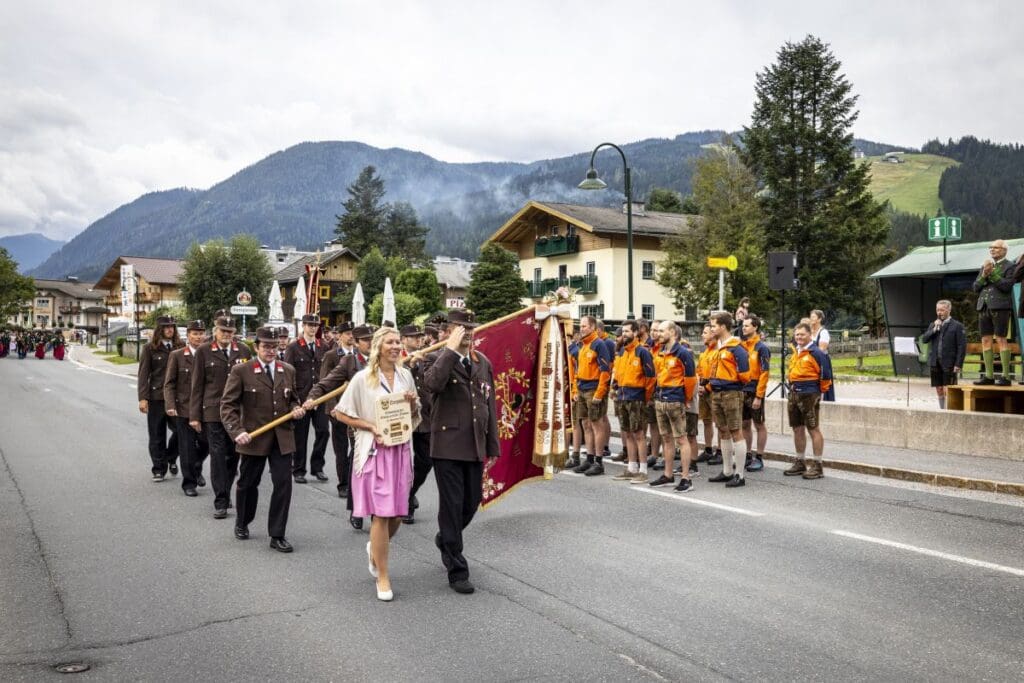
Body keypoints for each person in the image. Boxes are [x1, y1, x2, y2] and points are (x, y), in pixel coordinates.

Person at [334, 327, 420, 600]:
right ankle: (383, 576)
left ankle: (375, 548)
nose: (395, 346)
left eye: (398, 342)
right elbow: (341, 413)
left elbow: (415, 414)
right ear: (378, 347)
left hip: (401, 450)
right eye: (390, 343)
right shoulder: (363, 379)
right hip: (375, 452)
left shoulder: (406, 376)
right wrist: (371, 426)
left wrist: (413, 402)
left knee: (398, 514)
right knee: (381, 513)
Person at [421, 309, 500, 595]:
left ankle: (446, 538)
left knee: (471, 502)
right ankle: (457, 568)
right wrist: (450, 350)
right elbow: (432, 385)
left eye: (471, 328)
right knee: (452, 505)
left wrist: (493, 443)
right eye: (461, 328)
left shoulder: (483, 362)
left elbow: (489, 405)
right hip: (448, 445)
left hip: (475, 444)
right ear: (449, 331)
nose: (467, 332)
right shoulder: (435, 358)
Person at [221, 327, 305, 553]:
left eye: (274, 346)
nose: (271, 350)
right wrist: (236, 430)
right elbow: (227, 405)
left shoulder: (287, 369)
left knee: (283, 485)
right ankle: (242, 521)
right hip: (253, 438)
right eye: (266, 346)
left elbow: (293, 400)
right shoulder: (242, 370)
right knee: (248, 484)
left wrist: (296, 409)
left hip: (282, 438)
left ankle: (277, 534)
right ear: (256, 347)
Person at [304, 324, 375, 529]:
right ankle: (356, 508)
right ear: (357, 342)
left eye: (372, 339)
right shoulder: (349, 361)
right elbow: (326, 382)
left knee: (376, 466)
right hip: (356, 420)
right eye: (366, 340)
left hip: (379, 420)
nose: (370, 344)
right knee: (359, 463)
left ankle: (378, 508)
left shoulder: (383, 360)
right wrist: (313, 398)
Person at [190, 315, 252, 519]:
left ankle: (226, 489)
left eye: (230, 332)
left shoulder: (243, 350)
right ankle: (221, 500)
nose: (226, 335)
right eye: (223, 331)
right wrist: (195, 415)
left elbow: (249, 382)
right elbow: (197, 384)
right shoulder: (204, 351)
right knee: (217, 455)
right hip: (213, 412)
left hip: (236, 413)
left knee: (234, 454)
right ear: (215, 330)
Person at [649, 321, 698, 491]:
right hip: (661, 399)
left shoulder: (682, 353)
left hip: (675, 399)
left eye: (662, 331)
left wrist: (687, 398)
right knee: (667, 439)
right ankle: (668, 475)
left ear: (672, 332)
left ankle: (686, 478)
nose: (658, 334)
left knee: (681, 439)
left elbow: (691, 378)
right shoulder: (661, 352)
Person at [164, 319, 210, 496]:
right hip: (184, 409)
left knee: (207, 444)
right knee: (187, 447)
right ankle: (189, 483)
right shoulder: (177, 355)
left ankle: (196, 466)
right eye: (195, 333)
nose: (198, 337)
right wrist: (170, 405)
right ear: (188, 335)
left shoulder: (209, 354)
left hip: (206, 410)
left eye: (201, 333)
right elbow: (169, 383)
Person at [706, 312, 751, 488]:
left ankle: (739, 474)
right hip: (716, 392)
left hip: (731, 392)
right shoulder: (718, 346)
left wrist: (730, 382)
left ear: (723, 326)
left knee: (735, 431)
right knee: (723, 430)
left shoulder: (736, 348)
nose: (711, 329)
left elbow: (745, 375)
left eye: (714, 325)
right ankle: (727, 471)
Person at [784, 322, 832, 479]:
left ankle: (817, 465)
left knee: (813, 429)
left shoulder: (817, 353)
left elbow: (826, 376)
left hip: (809, 394)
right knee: (797, 428)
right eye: (797, 335)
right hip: (794, 392)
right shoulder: (796, 352)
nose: (798, 337)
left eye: (802, 334)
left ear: (810, 335)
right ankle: (800, 461)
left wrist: (818, 393)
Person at [286, 314, 330, 484]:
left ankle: (317, 466)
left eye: (315, 325)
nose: (313, 328)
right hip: (301, 397)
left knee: (323, 432)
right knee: (300, 435)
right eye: (310, 325)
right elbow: (289, 373)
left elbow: (326, 372)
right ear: (303, 326)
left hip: (319, 398)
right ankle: (298, 469)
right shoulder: (294, 347)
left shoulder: (323, 346)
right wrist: (293, 399)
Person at [138, 316, 183, 481]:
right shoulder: (150, 348)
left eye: (172, 326)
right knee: (157, 435)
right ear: (159, 330)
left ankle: (170, 457)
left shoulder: (180, 347)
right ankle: (158, 468)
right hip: (156, 397)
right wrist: (143, 398)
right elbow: (143, 375)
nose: (170, 329)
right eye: (166, 327)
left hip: (177, 398)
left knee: (181, 431)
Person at [610, 321, 655, 484]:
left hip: (637, 397)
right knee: (627, 433)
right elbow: (618, 374)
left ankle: (643, 470)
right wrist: (614, 388)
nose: (624, 334)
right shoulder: (622, 352)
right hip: (623, 396)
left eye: (628, 331)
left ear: (636, 333)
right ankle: (632, 467)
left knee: (639, 434)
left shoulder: (642, 352)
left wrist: (645, 396)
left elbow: (651, 377)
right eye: (623, 331)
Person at [571, 315, 613, 476]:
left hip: (593, 388)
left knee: (597, 424)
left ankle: (598, 460)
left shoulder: (598, 344)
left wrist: (600, 392)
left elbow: (605, 371)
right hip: (582, 387)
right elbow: (577, 370)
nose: (581, 329)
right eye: (580, 326)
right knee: (585, 424)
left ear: (593, 327)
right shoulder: (583, 345)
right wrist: (575, 390)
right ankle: (588, 458)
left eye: (584, 326)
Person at [973, 240, 1016, 386]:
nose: (992, 250)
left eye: (995, 247)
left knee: (1001, 339)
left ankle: (1006, 377)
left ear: (1004, 250)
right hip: (983, 306)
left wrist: (991, 274)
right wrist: (984, 274)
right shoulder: (984, 266)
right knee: (985, 340)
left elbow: (1006, 286)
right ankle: (989, 376)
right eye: (990, 247)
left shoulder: (1011, 266)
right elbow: (975, 287)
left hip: (1001, 307)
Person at [319, 322, 354, 499]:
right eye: (347, 333)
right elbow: (325, 382)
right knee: (341, 449)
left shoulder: (359, 356)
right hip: (338, 408)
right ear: (339, 336)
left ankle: (353, 480)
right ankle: (343, 484)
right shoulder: (332, 355)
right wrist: (332, 407)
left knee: (356, 448)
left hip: (355, 409)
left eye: (352, 333)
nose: (351, 337)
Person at [920, 300, 967, 408]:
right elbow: (924, 340)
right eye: (937, 310)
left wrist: (958, 364)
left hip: (950, 362)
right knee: (939, 388)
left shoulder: (957, 326)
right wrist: (934, 329)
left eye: (942, 310)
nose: (939, 312)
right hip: (935, 362)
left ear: (949, 310)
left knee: (948, 388)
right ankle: (942, 410)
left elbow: (962, 346)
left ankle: (950, 410)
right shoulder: (933, 325)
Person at [740, 315, 770, 472]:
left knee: (758, 424)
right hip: (742, 389)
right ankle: (747, 454)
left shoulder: (761, 348)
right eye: (743, 325)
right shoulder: (742, 346)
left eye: (747, 325)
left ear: (755, 327)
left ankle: (759, 457)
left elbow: (765, 372)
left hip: (754, 389)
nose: (744, 328)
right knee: (744, 424)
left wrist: (759, 395)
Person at [695, 324, 721, 465]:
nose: (702, 335)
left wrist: (708, 387)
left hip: (714, 389)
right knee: (706, 420)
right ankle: (708, 448)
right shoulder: (705, 352)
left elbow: (717, 373)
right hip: (704, 388)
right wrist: (700, 385)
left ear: (712, 334)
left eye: (705, 333)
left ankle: (720, 451)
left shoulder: (717, 351)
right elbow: (699, 369)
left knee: (719, 422)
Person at [809, 309, 835, 401]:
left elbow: (821, 350)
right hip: (810, 363)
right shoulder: (809, 332)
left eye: (813, 317)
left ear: (819, 319)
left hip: (821, 362)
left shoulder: (823, 332)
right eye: (810, 317)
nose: (811, 319)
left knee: (822, 387)